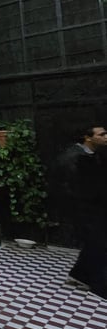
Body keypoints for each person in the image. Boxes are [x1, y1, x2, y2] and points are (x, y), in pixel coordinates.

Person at [55, 126, 107, 298]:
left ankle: (80, 274)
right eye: (102, 134)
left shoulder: (95, 155)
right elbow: (73, 185)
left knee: (95, 243)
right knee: (98, 243)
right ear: (88, 137)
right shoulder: (76, 157)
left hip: (94, 207)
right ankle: (98, 285)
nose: (106, 137)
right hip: (84, 208)